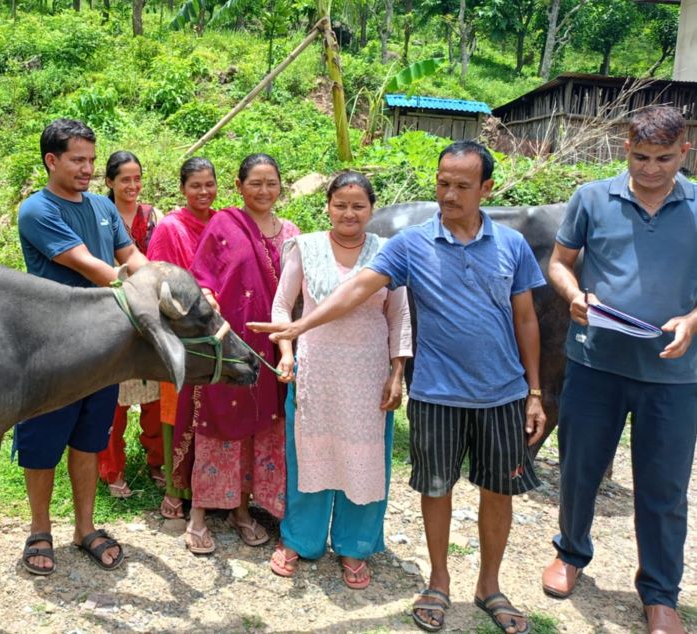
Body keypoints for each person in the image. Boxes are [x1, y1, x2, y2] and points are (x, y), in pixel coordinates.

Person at [250, 141, 546, 634]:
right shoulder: (409, 244)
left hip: (500, 392)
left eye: (462, 186)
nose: (448, 195)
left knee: (497, 491)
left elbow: (526, 319)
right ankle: (438, 581)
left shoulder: (512, 245)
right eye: (442, 183)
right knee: (433, 488)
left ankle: (489, 586)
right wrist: (299, 330)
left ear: (487, 189)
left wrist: (535, 392)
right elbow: (355, 291)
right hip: (430, 391)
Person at [542, 106, 696, 634]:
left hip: (676, 377)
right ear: (623, 149)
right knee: (580, 469)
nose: (650, 169)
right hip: (595, 364)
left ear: (685, 152)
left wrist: (693, 319)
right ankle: (569, 554)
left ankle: (659, 594)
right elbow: (560, 262)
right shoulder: (591, 198)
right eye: (639, 156)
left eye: (664, 158)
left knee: (664, 488)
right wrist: (573, 295)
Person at [15, 119, 148, 576]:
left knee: (89, 441)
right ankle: (39, 529)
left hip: (102, 350)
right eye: (78, 160)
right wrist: (157, 294)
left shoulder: (101, 207)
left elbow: (130, 257)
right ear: (52, 160)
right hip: (51, 350)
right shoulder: (37, 210)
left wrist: (155, 278)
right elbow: (95, 268)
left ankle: (85, 527)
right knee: (41, 445)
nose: (88, 169)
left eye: (92, 160)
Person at [268, 171, 412, 589]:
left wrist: (397, 373)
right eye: (340, 205)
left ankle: (355, 545)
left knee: (365, 462)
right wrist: (287, 353)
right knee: (308, 456)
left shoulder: (389, 252)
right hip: (316, 371)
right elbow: (283, 305)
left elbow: (399, 316)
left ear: (372, 208)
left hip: (368, 376)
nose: (349, 213)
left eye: (358, 206)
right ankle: (300, 540)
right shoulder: (306, 247)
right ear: (328, 205)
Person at [171, 153, 300, 554]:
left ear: (281, 186)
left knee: (261, 425)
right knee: (219, 421)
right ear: (240, 186)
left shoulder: (292, 233)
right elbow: (201, 276)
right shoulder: (224, 224)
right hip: (229, 344)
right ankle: (198, 516)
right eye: (255, 183)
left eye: (271, 183)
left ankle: (242, 510)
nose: (264, 191)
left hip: (274, 347)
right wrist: (209, 294)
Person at [146, 157, 221, 521]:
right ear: (182, 188)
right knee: (176, 409)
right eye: (196, 186)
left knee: (213, 410)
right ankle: (176, 490)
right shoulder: (171, 228)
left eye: (210, 184)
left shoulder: (223, 222)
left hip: (218, 331)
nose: (204, 192)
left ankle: (210, 488)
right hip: (181, 332)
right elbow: (158, 281)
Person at [96, 151, 164, 499]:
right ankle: (111, 469)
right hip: (112, 312)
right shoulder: (97, 216)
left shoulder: (154, 217)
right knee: (113, 396)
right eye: (125, 179)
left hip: (150, 312)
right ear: (109, 181)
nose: (133, 186)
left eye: (137, 178)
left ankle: (157, 460)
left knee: (155, 392)